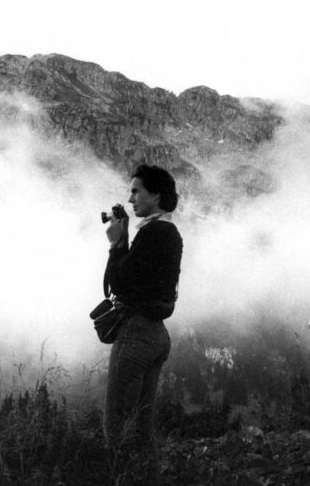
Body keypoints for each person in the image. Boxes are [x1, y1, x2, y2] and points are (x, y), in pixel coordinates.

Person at [102, 164, 183, 485]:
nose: (131, 198)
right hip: (157, 335)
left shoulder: (152, 234)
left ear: (156, 195)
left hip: (136, 334)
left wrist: (116, 243)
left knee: (116, 426)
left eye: (136, 191)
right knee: (142, 428)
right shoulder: (170, 232)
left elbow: (119, 284)